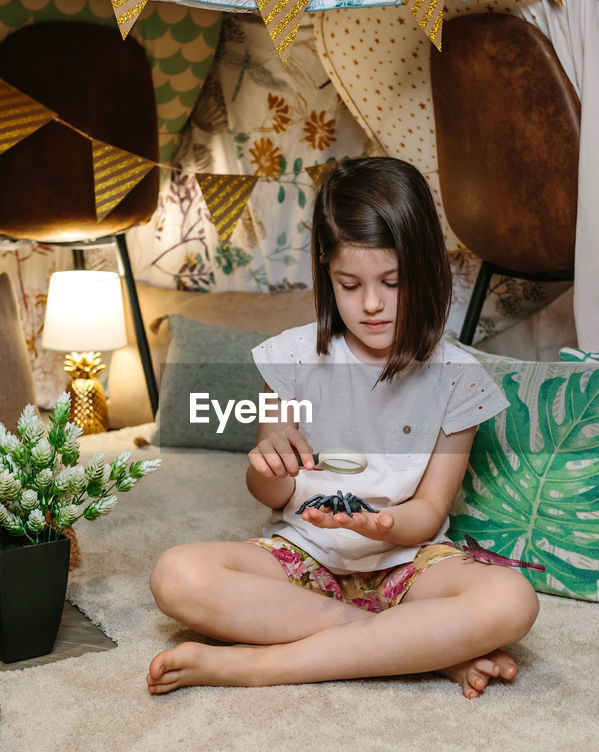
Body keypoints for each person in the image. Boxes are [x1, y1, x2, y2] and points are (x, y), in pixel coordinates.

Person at [146, 157, 539, 699]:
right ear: (327, 276)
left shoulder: (458, 379)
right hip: (304, 557)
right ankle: (413, 650)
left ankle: (257, 666)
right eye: (350, 285)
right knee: (176, 574)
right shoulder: (291, 358)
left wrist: (380, 526)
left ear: (425, 270)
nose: (372, 304)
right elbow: (270, 491)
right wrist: (267, 463)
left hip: (408, 562)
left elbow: (428, 513)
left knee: (513, 600)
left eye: (393, 281)